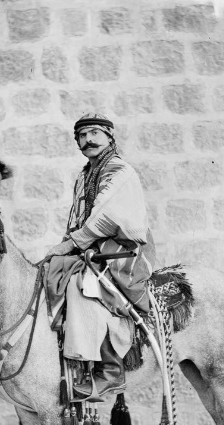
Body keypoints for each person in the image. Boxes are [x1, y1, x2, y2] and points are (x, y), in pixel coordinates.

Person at [44, 112, 156, 400]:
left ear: (109, 136)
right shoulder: (85, 175)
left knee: (82, 284)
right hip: (95, 248)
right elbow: (77, 220)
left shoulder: (119, 170)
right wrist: (64, 245)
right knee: (52, 273)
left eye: (94, 132)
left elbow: (104, 217)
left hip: (124, 250)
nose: (87, 139)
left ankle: (110, 371)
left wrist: (71, 244)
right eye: (81, 135)